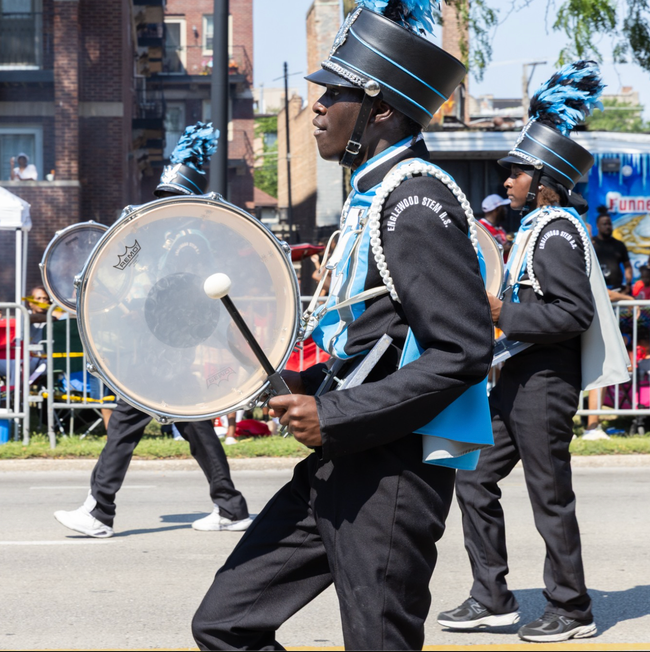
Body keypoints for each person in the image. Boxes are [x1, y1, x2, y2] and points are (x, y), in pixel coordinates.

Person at [192, 3, 494, 649]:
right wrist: (300, 383)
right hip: (342, 458)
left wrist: (334, 415)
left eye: (335, 94)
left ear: (380, 110)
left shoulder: (415, 200)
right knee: (226, 624)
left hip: (392, 474)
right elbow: (376, 343)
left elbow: (462, 351)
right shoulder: (375, 196)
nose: (318, 108)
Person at [441, 61, 615, 643]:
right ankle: (492, 597)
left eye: (516, 171)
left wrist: (499, 314)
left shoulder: (559, 231)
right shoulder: (535, 228)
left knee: (549, 496)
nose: (506, 178)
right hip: (516, 378)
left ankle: (573, 609)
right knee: (473, 478)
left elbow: (574, 314)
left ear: (542, 177)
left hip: (545, 383)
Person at [53, 123, 253, 538]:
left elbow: (179, 293)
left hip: (167, 347)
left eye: (169, 198)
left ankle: (100, 511)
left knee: (127, 423)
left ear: (186, 201)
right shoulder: (175, 236)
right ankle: (230, 506)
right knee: (193, 427)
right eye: (161, 196)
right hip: (165, 344)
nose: (160, 204)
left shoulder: (188, 239)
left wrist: (136, 308)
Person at [592, 209, 632, 293]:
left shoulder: (619, 245)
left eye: (609, 224)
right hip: (596, 288)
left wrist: (628, 283)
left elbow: (627, 266)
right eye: (604, 224)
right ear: (597, 226)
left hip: (616, 289)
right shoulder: (591, 244)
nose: (607, 227)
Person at [479, 193, 511, 260]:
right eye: (503, 207)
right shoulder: (481, 228)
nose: (506, 210)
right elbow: (482, 252)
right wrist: (501, 250)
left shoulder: (499, 228)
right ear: (497, 209)